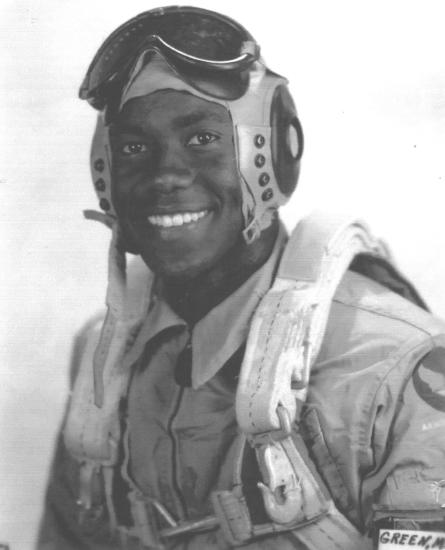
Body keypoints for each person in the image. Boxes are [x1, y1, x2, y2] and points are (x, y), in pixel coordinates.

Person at [38, 6, 445, 549]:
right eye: (134, 148)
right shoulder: (102, 364)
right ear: (106, 174)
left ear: (275, 151)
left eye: (202, 139)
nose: (166, 175)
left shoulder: (396, 370)